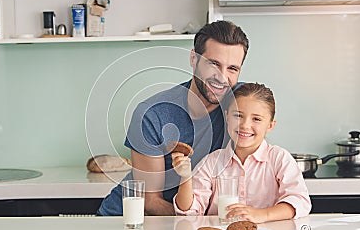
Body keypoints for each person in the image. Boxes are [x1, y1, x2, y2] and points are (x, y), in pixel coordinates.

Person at [97, 20, 250, 216]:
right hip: (130, 219)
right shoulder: (152, 114)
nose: (222, 76)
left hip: (193, 223)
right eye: (213, 64)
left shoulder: (243, 104)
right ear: (194, 59)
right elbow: (151, 202)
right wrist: (201, 226)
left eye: (232, 69)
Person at [172, 83, 311, 223]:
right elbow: (188, 213)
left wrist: (262, 215)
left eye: (256, 119)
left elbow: (300, 201)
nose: (245, 125)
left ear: (270, 125)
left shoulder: (279, 158)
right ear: (227, 117)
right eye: (238, 115)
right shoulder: (212, 162)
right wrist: (185, 178)